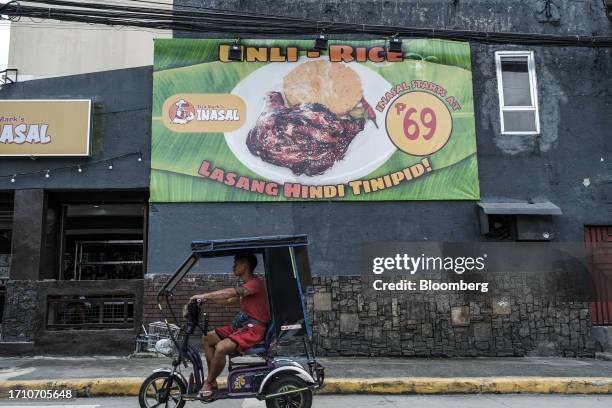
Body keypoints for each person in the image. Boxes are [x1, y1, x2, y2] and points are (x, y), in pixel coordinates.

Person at [190, 252, 270, 397]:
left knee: (221, 347)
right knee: (207, 338)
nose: (233, 267)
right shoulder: (247, 286)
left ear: (245, 265)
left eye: (236, 263)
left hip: (253, 330)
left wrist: (204, 295)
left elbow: (229, 293)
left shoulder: (255, 284)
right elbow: (228, 300)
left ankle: (208, 382)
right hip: (243, 327)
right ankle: (212, 380)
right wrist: (208, 300)